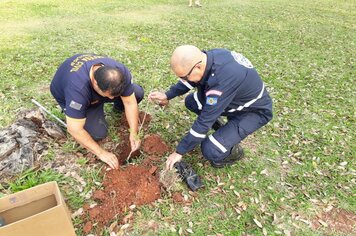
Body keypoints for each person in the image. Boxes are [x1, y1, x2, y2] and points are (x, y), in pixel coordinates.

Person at [148, 45, 273, 170]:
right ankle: (225, 130)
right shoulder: (208, 58)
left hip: (253, 112)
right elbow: (190, 81)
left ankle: (234, 152)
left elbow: (203, 123)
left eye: (184, 77)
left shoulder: (221, 83)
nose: (183, 80)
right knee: (192, 102)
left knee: (210, 149)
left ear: (198, 66)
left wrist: (179, 152)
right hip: (233, 99)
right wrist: (167, 95)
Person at [50, 54, 144, 170]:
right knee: (98, 133)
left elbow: (130, 102)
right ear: (95, 83)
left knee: (137, 93)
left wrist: (134, 133)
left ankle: (116, 107)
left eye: (113, 96)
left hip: (100, 89)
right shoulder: (77, 90)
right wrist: (101, 153)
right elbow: (74, 129)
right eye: (107, 96)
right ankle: (80, 111)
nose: (111, 99)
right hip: (70, 94)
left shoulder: (119, 72)